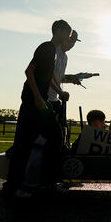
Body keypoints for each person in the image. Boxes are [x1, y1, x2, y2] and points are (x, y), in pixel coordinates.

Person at [7, 19, 72, 197]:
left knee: (54, 135)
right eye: (67, 33)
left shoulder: (54, 53)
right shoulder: (46, 48)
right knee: (26, 141)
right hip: (32, 101)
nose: (68, 37)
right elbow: (29, 71)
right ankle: (20, 186)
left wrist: (59, 91)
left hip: (42, 100)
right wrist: (36, 97)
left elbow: (48, 76)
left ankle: (45, 181)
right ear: (58, 32)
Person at [47, 29, 80, 143]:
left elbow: (59, 78)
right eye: (70, 42)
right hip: (44, 97)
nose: (72, 45)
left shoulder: (65, 57)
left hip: (54, 97)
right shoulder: (53, 52)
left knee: (63, 131)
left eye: (74, 43)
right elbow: (48, 75)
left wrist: (72, 80)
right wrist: (60, 92)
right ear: (64, 39)